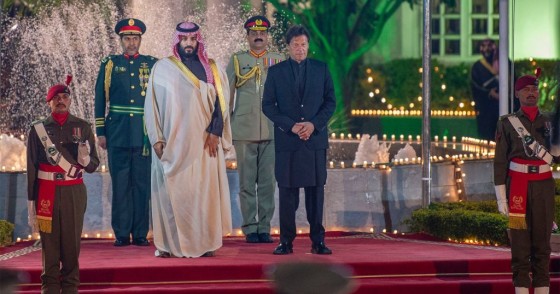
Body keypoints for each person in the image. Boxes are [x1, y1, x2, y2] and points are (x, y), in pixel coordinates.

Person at [144, 21, 232, 258]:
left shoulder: (212, 68)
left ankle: (205, 244)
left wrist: (215, 133)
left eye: (193, 39)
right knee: (172, 195)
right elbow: (151, 106)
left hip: (205, 145)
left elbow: (221, 106)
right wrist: (157, 139)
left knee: (204, 194)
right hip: (172, 146)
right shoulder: (162, 68)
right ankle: (168, 245)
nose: (189, 44)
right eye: (184, 39)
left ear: (198, 41)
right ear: (177, 41)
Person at [262, 25, 336, 255]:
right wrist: (290, 126)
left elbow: (330, 102)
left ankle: (318, 241)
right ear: (288, 47)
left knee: (316, 194)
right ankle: (286, 242)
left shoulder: (321, 69)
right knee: (287, 195)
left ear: (308, 45)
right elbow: (267, 106)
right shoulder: (276, 72)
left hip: (314, 141)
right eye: (295, 45)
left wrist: (313, 124)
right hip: (288, 142)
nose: (300, 48)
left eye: (303, 44)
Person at [27, 76, 100, 293]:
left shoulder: (83, 127)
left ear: (70, 101)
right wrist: (31, 200)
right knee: (49, 247)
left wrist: (86, 159)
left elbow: (93, 165)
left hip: (73, 192)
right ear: (48, 102)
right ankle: (49, 289)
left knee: (71, 245)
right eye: (56, 98)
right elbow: (31, 166)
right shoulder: (37, 129)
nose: (61, 100)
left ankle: (70, 289)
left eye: (65, 97)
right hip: (46, 192)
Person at [94, 18, 157, 247]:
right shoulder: (110, 64)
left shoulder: (152, 64)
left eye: (135, 38)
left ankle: (140, 233)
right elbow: (100, 98)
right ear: (120, 40)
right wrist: (101, 130)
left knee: (142, 184)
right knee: (120, 184)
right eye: (127, 38)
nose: (131, 42)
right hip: (118, 132)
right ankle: (121, 233)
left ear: (140, 40)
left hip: (143, 133)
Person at [493, 69, 555, 294]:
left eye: (534, 90)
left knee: (542, 247)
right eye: (526, 90)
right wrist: (501, 197)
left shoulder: (550, 122)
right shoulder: (507, 123)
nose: (531, 93)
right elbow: (500, 161)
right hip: (517, 186)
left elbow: (556, 157)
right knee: (519, 247)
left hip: (543, 186)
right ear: (517, 94)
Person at [226, 16, 284, 244]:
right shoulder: (238, 60)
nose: (258, 36)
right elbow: (228, 94)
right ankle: (250, 227)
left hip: (272, 129)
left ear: (267, 35)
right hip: (244, 129)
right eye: (253, 33)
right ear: (248, 36)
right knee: (247, 182)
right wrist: (225, 127)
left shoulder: (278, 60)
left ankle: (264, 227)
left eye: (262, 33)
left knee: (269, 182)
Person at [471, 38, 505, 141]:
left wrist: (504, 95)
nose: (486, 49)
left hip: (503, 107)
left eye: (489, 46)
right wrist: (489, 93)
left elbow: (513, 81)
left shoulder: (504, 63)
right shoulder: (477, 67)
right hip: (486, 109)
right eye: (483, 46)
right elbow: (475, 86)